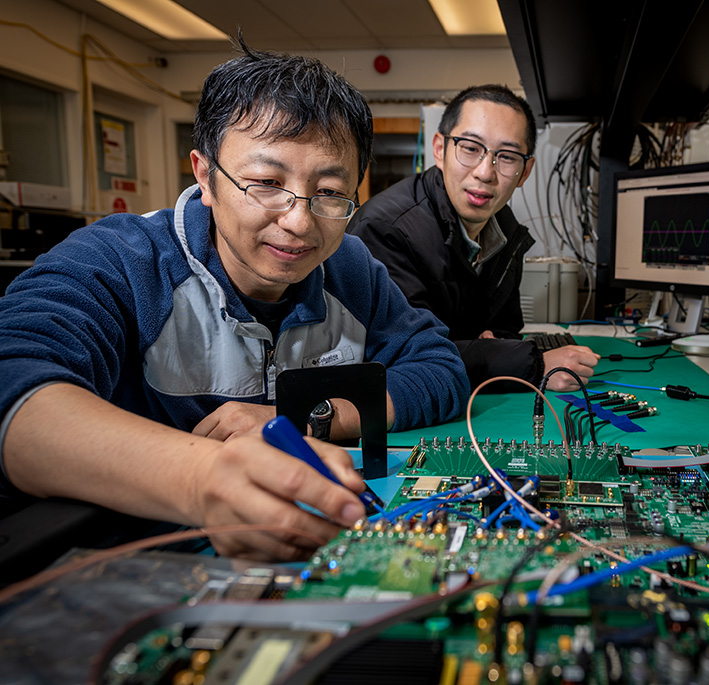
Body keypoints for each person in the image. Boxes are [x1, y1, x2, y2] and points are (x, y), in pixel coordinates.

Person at [0, 42, 469, 562]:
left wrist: (306, 416)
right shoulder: (119, 261)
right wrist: (202, 477)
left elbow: (439, 366)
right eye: (267, 184)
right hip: (138, 566)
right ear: (205, 176)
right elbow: (16, 390)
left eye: (330, 191)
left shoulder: (348, 267)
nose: (298, 222)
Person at [347, 84, 599, 393]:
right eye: (469, 147)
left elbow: (505, 327)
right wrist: (535, 365)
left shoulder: (504, 228)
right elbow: (410, 354)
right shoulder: (386, 229)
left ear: (525, 172)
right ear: (440, 149)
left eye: (506, 156)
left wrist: (494, 345)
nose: (485, 172)